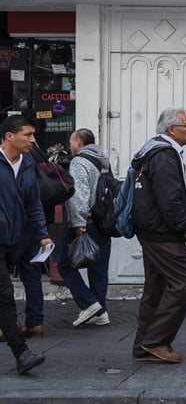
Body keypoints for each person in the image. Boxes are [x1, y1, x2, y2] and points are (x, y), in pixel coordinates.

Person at [130, 108, 186, 363]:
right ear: (172, 130)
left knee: (156, 286)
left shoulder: (153, 150)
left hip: (151, 229)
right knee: (184, 281)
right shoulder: (164, 155)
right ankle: (156, 340)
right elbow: (169, 199)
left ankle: (143, 346)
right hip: (162, 232)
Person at [0, 115, 50, 374]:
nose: (33, 140)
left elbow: (33, 203)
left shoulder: (28, 164)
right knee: (6, 294)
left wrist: (42, 234)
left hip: (17, 239)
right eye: (27, 135)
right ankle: (22, 354)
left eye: (33, 135)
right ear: (10, 136)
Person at [60, 128, 113, 327]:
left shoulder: (80, 161)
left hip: (86, 222)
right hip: (102, 222)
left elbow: (79, 194)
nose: (70, 145)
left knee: (64, 265)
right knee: (98, 269)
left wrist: (78, 222)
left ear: (80, 142)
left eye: (71, 141)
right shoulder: (102, 160)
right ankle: (101, 313)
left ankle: (89, 303)